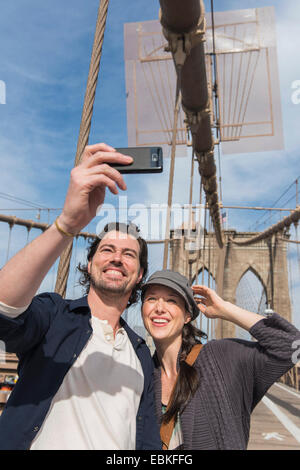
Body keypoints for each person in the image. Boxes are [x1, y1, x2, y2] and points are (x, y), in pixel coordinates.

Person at [0, 143, 161, 450]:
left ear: (139, 275)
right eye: (107, 250)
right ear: (89, 264)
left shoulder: (140, 353)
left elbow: (148, 442)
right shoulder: (53, 316)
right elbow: (3, 311)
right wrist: (67, 225)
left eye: (128, 254)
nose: (116, 258)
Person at [141, 269, 300, 450]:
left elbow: (292, 345)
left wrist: (225, 309)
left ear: (187, 316)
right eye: (151, 299)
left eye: (171, 300)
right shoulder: (143, 374)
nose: (159, 308)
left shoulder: (219, 357)